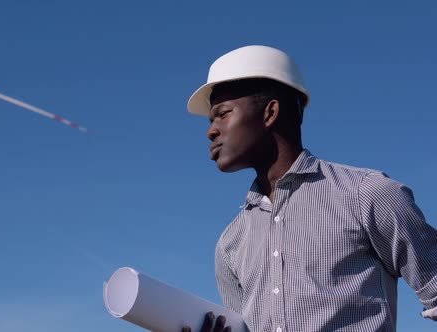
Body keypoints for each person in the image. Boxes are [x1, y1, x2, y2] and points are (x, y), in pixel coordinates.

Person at [182, 45, 437, 331]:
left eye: (222, 114)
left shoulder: (367, 194)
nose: (211, 131)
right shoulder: (230, 245)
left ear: (270, 112)